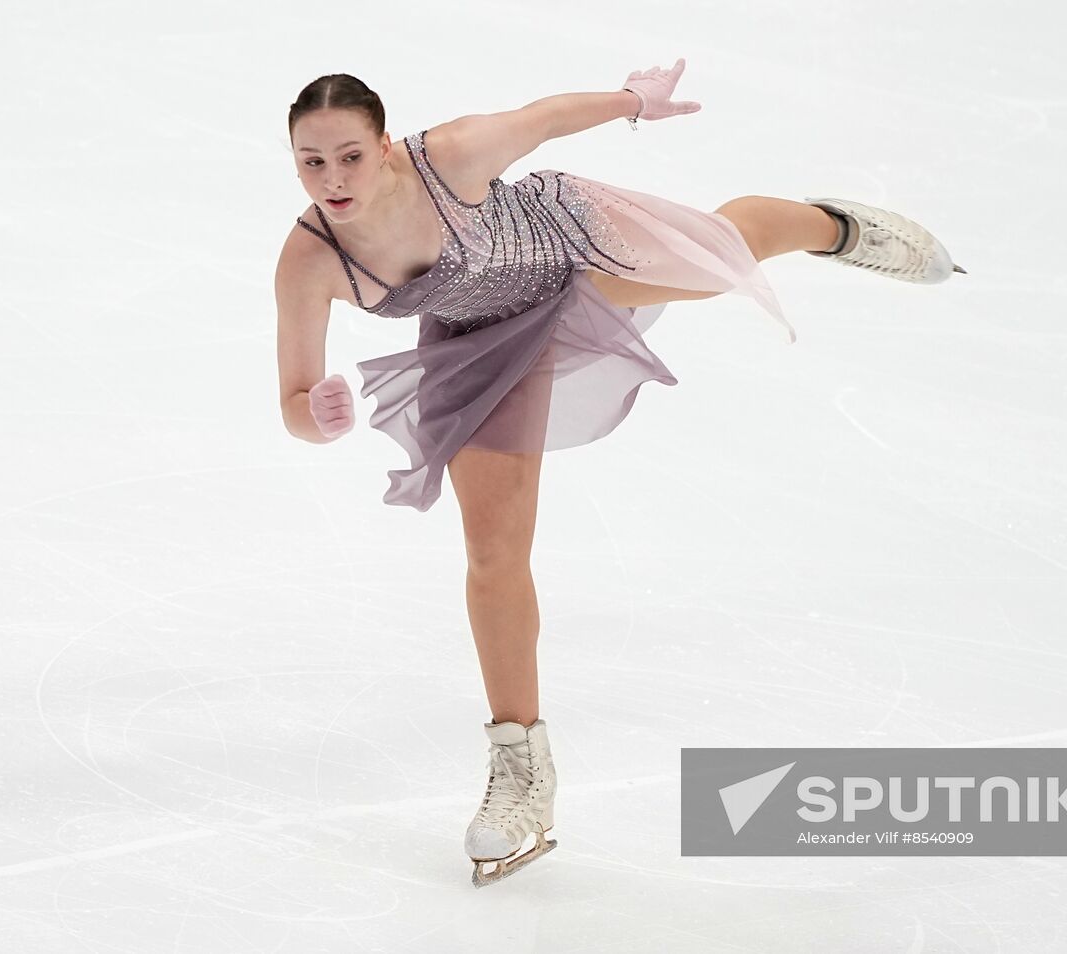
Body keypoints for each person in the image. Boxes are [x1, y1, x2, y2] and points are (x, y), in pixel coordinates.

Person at [274, 61, 964, 886]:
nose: (332, 179)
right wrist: (315, 417)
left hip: (572, 246)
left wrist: (633, 102)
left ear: (383, 147)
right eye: (312, 162)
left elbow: (544, 114)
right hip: (478, 341)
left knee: (721, 260)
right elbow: (293, 399)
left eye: (348, 155)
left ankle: (835, 227)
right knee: (494, 555)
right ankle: (521, 771)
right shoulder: (310, 260)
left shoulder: (449, 155)